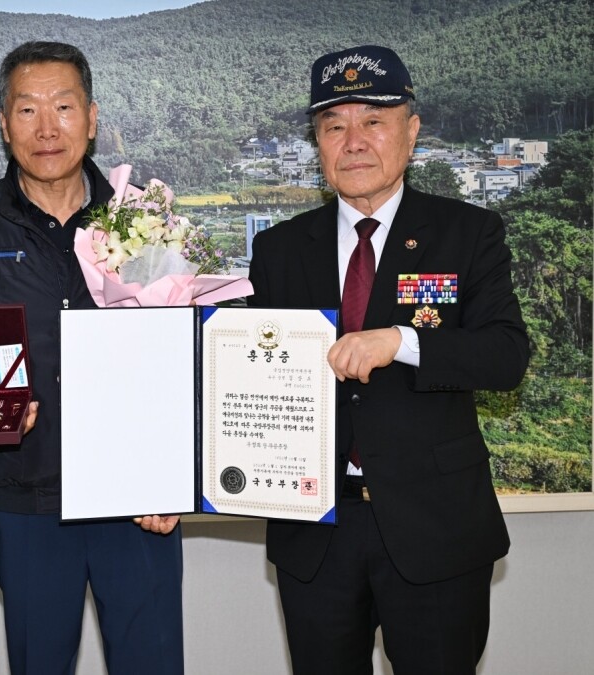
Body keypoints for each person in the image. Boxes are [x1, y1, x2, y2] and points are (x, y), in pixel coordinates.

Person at [247, 45, 530, 674]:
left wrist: (399, 341)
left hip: (436, 527)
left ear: (412, 130)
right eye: (334, 125)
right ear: (317, 143)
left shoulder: (469, 232)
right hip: (316, 529)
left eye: (374, 121)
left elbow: (506, 355)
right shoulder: (279, 249)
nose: (355, 141)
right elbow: (240, 373)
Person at [0, 41, 184, 675]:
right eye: (27, 110)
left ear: (92, 118)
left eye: (64, 107)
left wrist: (171, 471)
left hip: (136, 499)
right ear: (2, 122)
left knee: (151, 663)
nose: (47, 128)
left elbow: (181, 349)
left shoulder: (144, 221)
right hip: (26, 494)